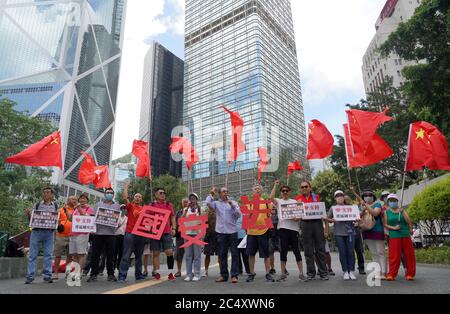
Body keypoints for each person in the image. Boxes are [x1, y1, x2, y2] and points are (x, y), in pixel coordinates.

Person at [270, 181, 307, 282]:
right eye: (283, 191)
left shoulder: (295, 202)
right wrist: (275, 185)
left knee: (297, 251)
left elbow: (301, 215)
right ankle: (283, 274)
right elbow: (271, 198)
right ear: (281, 192)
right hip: (282, 229)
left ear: (289, 192)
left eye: (286, 190)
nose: (285, 192)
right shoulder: (278, 201)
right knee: (283, 252)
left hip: (294, 230)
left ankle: (301, 274)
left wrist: (297, 218)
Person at [206, 187, 241, 283]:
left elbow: (238, 215)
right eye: (223, 192)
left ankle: (234, 275)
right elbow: (208, 203)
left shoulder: (234, 203)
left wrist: (232, 206)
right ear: (220, 194)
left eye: (227, 191)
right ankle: (224, 275)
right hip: (221, 232)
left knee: (235, 254)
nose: (225, 193)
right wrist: (212, 193)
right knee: (222, 254)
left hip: (232, 232)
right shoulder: (217, 204)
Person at [25, 187, 59, 284]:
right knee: (32, 255)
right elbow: (31, 219)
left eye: (48, 192)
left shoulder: (55, 206)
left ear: (52, 195)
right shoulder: (37, 204)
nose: (45, 194)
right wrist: (29, 214)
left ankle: (47, 276)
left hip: (49, 233)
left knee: (48, 255)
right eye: (44, 192)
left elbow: (56, 220)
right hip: (36, 232)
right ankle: (30, 276)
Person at [296, 181, 329, 281]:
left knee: (320, 249)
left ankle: (323, 272)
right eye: (302, 187)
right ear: (300, 189)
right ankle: (311, 272)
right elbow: (297, 212)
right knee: (308, 250)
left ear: (310, 188)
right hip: (305, 224)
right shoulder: (298, 199)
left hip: (317, 224)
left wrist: (326, 228)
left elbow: (322, 212)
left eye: (306, 186)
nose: (304, 188)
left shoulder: (316, 197)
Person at [87, 188, 121, 283]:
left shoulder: (117, 206)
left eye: (111, 193)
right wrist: (92, 229)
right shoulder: (98, 204)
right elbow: (92, 217)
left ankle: (111, 274)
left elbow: (118, 218)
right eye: (108, 193)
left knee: (111, 255)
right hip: (98, 233)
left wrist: (117, 223)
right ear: (104, 194)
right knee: (95, 255)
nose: (109, 194)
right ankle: (93, 274)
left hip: (111, 234)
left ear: (113, 195)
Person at [327, 191, 359, 280]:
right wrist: (332, 220)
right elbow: (328, 219)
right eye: (337, 196)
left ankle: (351, 271)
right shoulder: (333, 208)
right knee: (342, 252)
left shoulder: (351, 207)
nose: (339, 197)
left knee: (351, 252)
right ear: (335, 198)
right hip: (339, 233)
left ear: (344, 197)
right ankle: (345, 271)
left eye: (341, 195)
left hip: (350, 232)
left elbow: (357, 218)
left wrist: (357, 220)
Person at [383, 194, 416, 281]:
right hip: (394, 235)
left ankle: (410, 274)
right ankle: (392, 274)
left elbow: (409, 222)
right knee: (394, 256)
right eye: (390, 201)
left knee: (409, 255)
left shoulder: (402, 211)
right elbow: (385, 224)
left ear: (397, 201)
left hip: (405, 234)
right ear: (388, 202)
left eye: (394, 201)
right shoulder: (386, 212)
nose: (392, 202)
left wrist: (402, 212)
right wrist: (394, 228)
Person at [246, 185, 275, 283]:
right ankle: (251, 273)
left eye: (259, 188)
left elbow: (269, 216)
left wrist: (269, 229)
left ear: (262, 191)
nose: (257, 190)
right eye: (255, 188)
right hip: (251, 232)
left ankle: (268, 273)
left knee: (266, 254)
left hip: (263, 232)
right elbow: (246, 218)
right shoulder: (249, 203)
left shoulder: (266, 202)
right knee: (251, 254)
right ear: (252, 192)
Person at [118, 183, 146, 282]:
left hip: (141, 234)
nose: (138, 198)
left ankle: (138, 275)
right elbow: (125, 198)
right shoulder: (130, 206)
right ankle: (122, 276)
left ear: (141, 199)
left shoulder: (144, 209)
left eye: (139, 197)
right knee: (126, 255)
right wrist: (125, 187)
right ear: (134, 199)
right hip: (130, 233)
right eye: (136, 196)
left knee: (139, 256)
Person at [357, 188, 387, 279]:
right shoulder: (361, 207)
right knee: (373, 253)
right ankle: (377, 272)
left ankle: (384, 272)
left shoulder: (377, 204)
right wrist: (361, 210)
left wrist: (365, 205)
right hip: (367, 231)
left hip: (377, 230)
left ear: (373, 196)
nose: (368, 197)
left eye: (370, 195)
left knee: (380, 252)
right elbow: (357, 217)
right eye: (365, 195)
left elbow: (375, 213)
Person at [149, 187, 176, 281]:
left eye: (164, 193)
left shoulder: (169, 205)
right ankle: (157, 273)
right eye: (161, 193)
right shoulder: (151, 205)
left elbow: (172, 217)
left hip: (166, 232)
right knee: (155, 253)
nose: (163, 194)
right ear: (156, 195)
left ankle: (170, 273)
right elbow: (146, 218)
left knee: (169, 252)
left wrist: (174, 228)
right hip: (155, 232)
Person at [182, 193, 205, 282]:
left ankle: (197, 274)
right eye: (191, 198)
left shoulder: (200, 209)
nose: (192, 199)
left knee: (197, 255)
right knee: (188, 255)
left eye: (194, 198)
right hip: (187, 233)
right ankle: (189, 274)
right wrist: (186, 209)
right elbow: (181, 219)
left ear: (197, 199)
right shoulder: (185, 209)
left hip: (197, 234)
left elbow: (203, 221)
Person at [53, 196, 76, 280]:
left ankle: (68, 273)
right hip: (60, 235)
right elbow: (55, 220)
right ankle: (55, 273)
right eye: (73, 199)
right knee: (57, 255)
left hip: (72, 236)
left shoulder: (76, 210)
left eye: (75, 200)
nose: (75, 201)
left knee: (69, 256)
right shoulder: (61, 210)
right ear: (68, 200)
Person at [69, 194, 94, 271]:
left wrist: (79, 208)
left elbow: (85, 218)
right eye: (81, 198)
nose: (82, 200)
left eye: (84, 199)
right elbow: (71, 219)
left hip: (83, 234)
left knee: (81, 254)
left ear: (87, 200)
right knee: (74, 254)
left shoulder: (90, 209)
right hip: (73, 233)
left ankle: (79, 272)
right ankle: (75, 271)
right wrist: (67, 211)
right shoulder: (75, 209)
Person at [345, 195, 365, 275]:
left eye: (348, 199)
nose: (347, 200)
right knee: (350, 251)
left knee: (359, 250)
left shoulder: (355, 207)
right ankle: (351, 268)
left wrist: (362, 212)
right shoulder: (341, 209)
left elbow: (360, 214)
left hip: (356, 230)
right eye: (345, 199)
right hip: (347, 231)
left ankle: (361, 267)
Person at [203, 188, 219, 277]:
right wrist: (211, 194)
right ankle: (206, 271)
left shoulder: (218, 211)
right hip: (208, 235)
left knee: (220, 254)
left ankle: (222, 270)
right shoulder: (205, 212)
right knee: (207, 254)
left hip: (217, 235)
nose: (211, 205)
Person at [174, 198, 189, 277]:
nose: (186, 203)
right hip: (180, 236)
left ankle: (189, 271)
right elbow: (177, 222)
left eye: (187, 202)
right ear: (182, 203)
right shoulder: (178, 212)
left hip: (190, 235)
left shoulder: (192, 211)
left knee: (190, 254)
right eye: (184, 202)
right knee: (178, 254)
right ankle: (179, 271)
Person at [113, 207, 127, 273]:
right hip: (116, 235)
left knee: (121, 252)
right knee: (114, 252)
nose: (123, 210)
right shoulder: (116, 216)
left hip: (123, 236)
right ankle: (113, 267)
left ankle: (119, 267)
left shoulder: (127, 218)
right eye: (122, 209)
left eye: (124, 209)